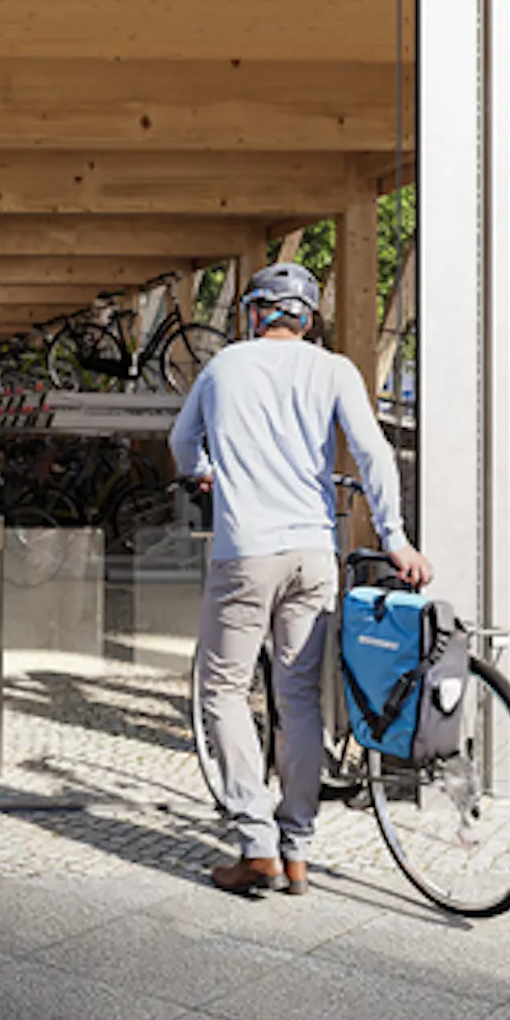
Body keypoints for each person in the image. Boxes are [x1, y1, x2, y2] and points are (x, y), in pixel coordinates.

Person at [170, 260, 431, 897]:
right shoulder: (334, 369)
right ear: (308, 318)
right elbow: (373, 453)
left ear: (255, 312)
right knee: (299, 697)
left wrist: (204, 470)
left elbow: (181, 444)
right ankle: (298, 849)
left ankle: (255, 844)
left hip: (245, 553)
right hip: (315, 554)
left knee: (224, 690)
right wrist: (394, 538)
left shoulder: (224, 367)